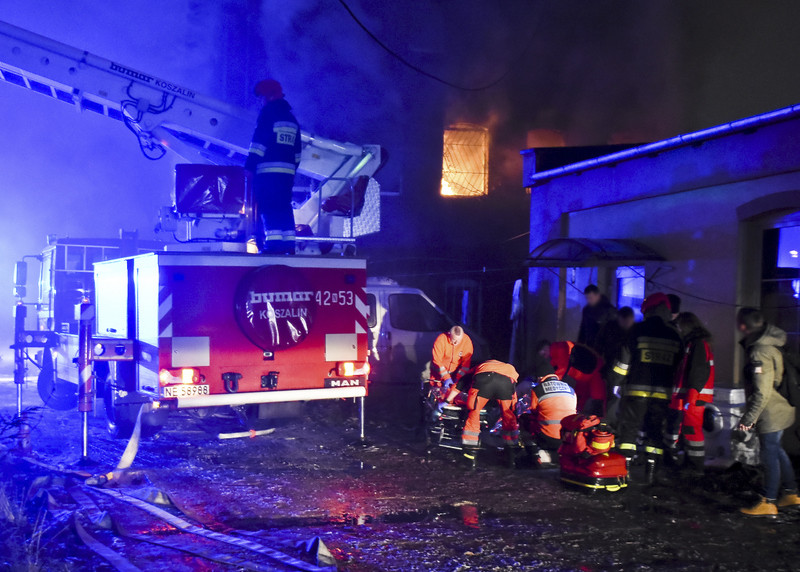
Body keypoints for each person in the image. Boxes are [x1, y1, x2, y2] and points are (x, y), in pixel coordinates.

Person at [611, 293, 682, 484]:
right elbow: (679, 366)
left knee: (629, 429)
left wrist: (616, 381)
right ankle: (651, 475)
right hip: (663, 393)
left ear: (648, 310)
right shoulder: (675, 334)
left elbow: (624, 361)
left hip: (635, 391)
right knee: (655, 431)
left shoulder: (637, 330)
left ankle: (624, 474)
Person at [736, 308, 799, 516]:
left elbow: (762, 392)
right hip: (781, 405)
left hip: (770, 411)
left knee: (769, 453)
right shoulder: (773, 343)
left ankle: (768, 501)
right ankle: (790, 493)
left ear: (743, 326)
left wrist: (748, 419)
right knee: (776, 449)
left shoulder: (760, 350)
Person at [244, 79, 302, 254]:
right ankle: (289, 245)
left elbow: (258, 144)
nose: (261, 102)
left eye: (261, 97)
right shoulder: (291, 119)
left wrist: (249, 166)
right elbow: (297, 152)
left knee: (269, 206)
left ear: (268, 96)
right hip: (286, 175)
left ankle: (274, 244)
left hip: (267, 173)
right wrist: (290, 170)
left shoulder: (268, 114)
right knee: (284, 207)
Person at [445, 360, 519, 468]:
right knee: (509, 417)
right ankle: (511, 458)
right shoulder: (509, 368)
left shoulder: (478, 368)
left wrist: (446, 401)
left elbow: (460, 384)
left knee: (473, 415)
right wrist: (513, 412)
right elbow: (513, 392)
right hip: (506, 383)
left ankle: (470, 458)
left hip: (484, 381)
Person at [666, 312, 715, 475]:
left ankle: (695, 467)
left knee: (692, 431)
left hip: (693, 397)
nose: (678, 329)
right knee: (688, 431)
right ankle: (690, 464)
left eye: (679, 325)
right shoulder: (695, 343)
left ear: (686, 325)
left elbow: (698, 371)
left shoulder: (697, 344)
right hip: (691, 396)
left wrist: (691, 398)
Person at [518, 373, 577, 465]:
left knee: (524, 419)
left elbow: (534, 411)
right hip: (568, 439)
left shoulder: (537, 389)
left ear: (540, 378)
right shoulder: (571, 389)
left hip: (548, 438)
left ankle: (533, 454)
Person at [549, 341, 606, 416]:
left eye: (543, 352)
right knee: (580, 403)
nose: (543, 354)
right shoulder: (559, 351)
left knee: (596, 400)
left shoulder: (560, 350)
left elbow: (561, 369)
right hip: (585, 375)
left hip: (593, 372)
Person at [597, 306, 635, 401]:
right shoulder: (610, 329)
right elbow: (599, 347)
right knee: (610, 398)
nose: (626, 324)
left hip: (629, 374)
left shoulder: (636, 331)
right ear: (619, 319)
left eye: (628, 321)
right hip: (610, 370)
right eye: (624, 321)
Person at [430, 326, 473, 391]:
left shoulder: (466, 341)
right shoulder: (441, 339)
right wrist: (446, 377)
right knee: (436, 392)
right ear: (449, 334)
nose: (456, 343)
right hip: (437, 373)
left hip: (454, 374)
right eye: (454, 340)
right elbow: (437, 361)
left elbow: (466, 365)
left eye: (459, 341)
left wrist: (458, 378)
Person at [577, 285, 617, 350]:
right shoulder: (586, 310)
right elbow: (583, 330)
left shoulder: (609, 311)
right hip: (590, 347)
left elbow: (614, 333)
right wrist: (579, 347)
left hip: (604, 349)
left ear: (598, 296)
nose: (588, 300)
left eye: (591, 298)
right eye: (587, 298)